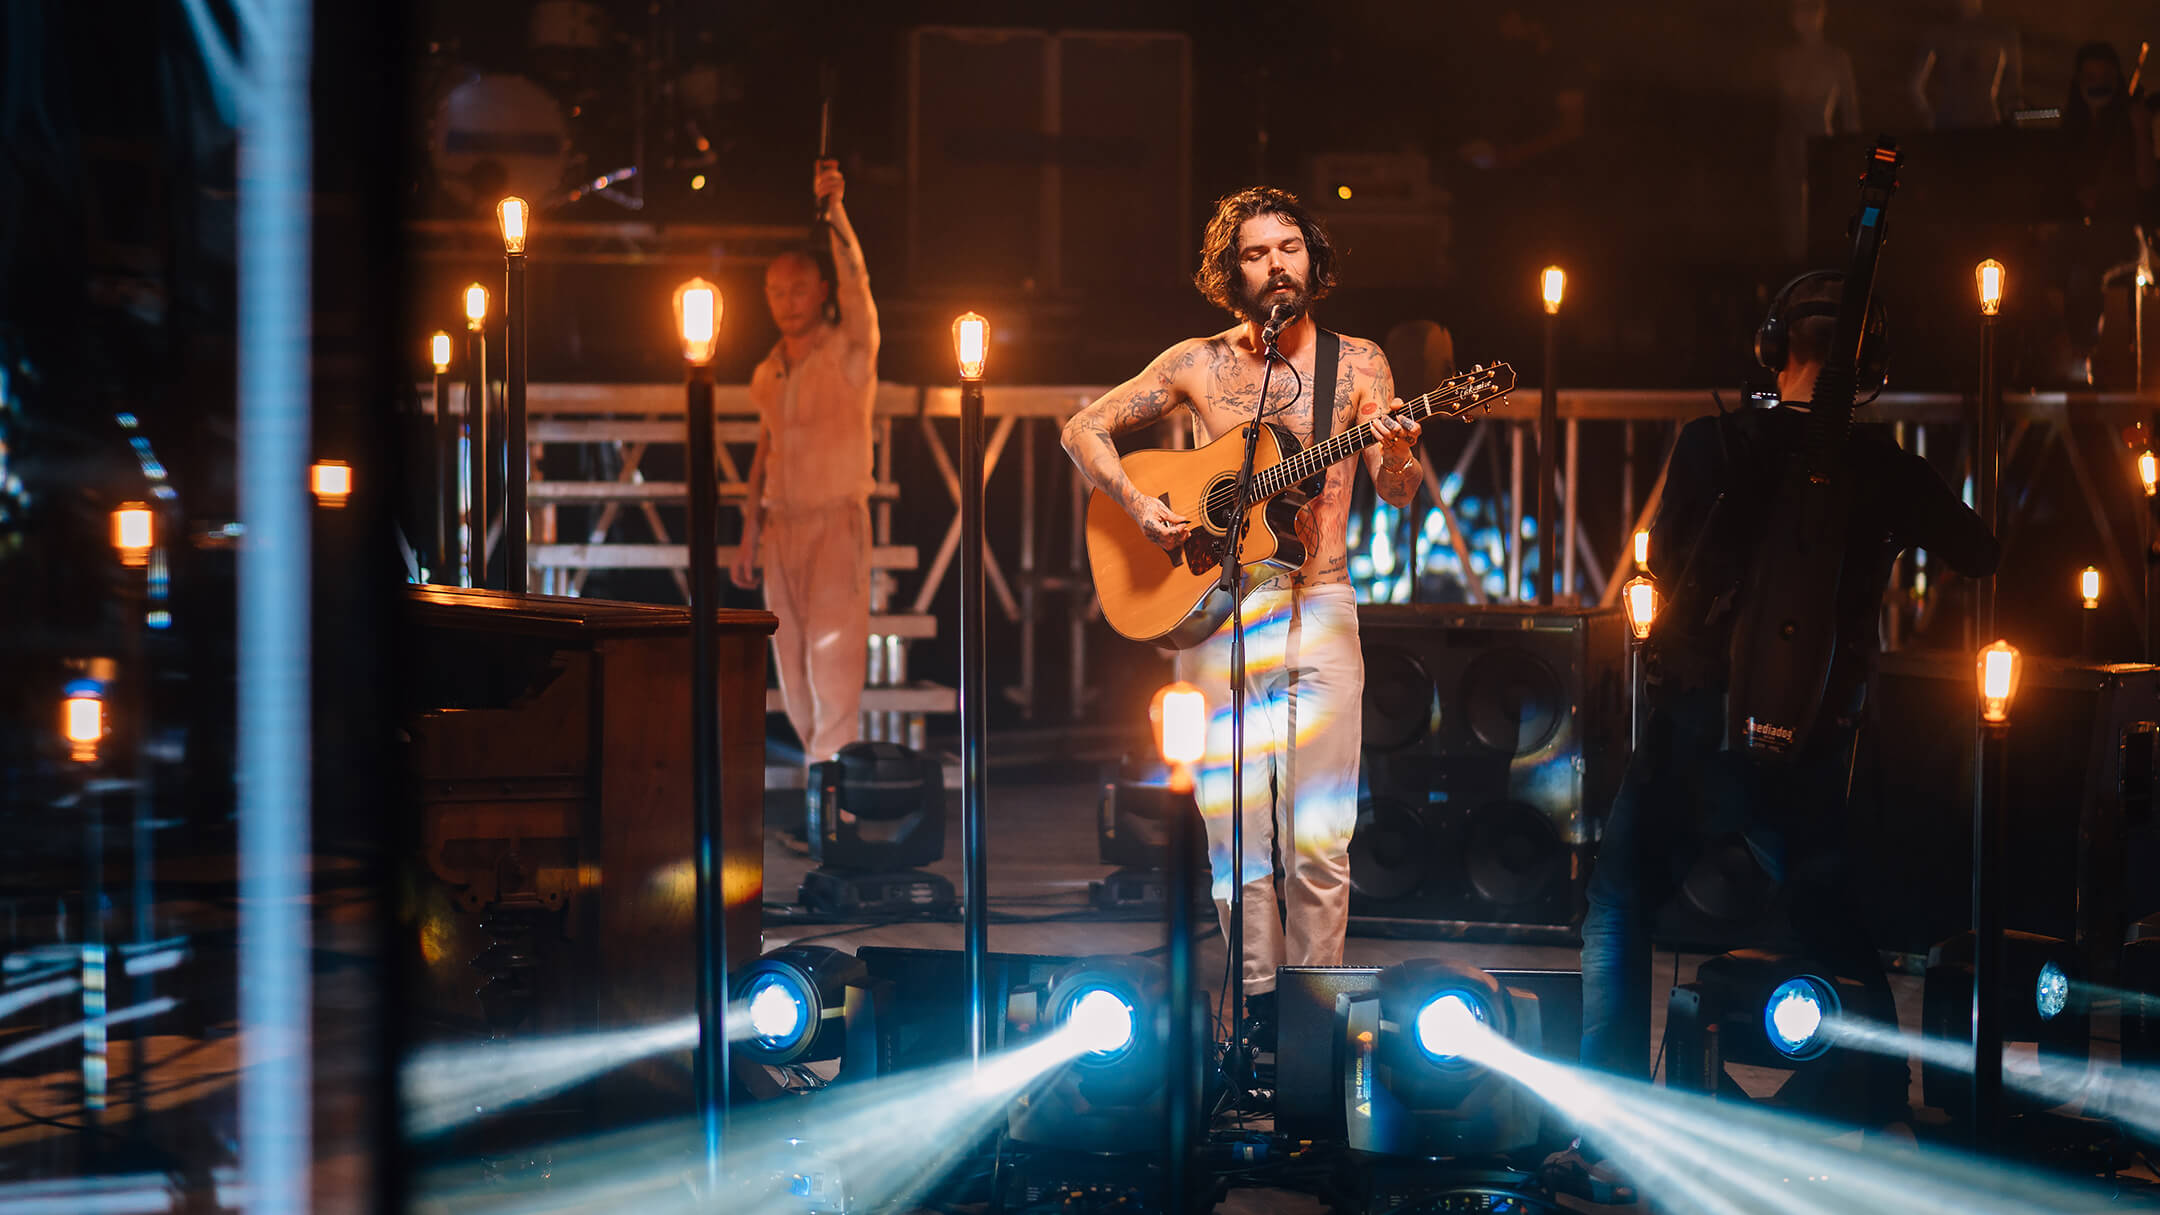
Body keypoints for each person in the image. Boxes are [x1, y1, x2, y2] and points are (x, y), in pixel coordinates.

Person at [1545, 272, 2000, 1199]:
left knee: (1623, 901)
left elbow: (1665, 569)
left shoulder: (1714, 442)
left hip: (1691, 724)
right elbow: (1980, 552)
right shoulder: (1883, 464)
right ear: (1865, 363)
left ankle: (1611, 1130)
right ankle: (1884, 1109)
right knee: (1827, 910)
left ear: (1772, 348)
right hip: (1812, 734)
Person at [1060, 187, 1423, 1045]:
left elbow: (1397, 493)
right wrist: (1142, 506)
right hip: (1219, 613)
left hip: (1321, 604)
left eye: (1290, 247)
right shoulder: (1197, 363)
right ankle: (1257, 1019)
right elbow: (1084, 428)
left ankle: (1316, 1022)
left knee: (1321, 841)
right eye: (1257, 253)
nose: (1277, 264)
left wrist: (1402, 449)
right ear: (1234, 271)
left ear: (1314, 260)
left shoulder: (1360, 364)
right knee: (1236, 842)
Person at [733, 159, 878, 767]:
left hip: (834, 522)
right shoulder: (768, 368)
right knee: (790, 665)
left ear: (820, 292)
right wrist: (749, 530)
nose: (786, 302)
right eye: (775, 291)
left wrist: (835, 209)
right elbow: (767, 447)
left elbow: (858, 287)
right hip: (780, 527)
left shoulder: (847, 352)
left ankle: (833, 797)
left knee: (833, 661)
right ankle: (823, 789)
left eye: (798, 289)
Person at [2052, 42, 2155, 383]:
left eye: (2104, 77)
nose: (2097, 84)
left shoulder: (2129, 126)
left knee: (2084, 269)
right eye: (2090, 76)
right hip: (2080, 236)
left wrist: (2141, 132)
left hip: (2124, 238)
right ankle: (2040, 362)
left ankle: (2083, 359)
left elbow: (2145, 187)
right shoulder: (2072, 132)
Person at [1772, 0, 1863, 261]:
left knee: (1823, 210)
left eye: (1811, 12)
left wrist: (1851, 152)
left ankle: (1823, 267)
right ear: (1793, 19)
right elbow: (1780, 110)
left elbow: (1850, 111)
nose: (1806, 19)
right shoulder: (1784, 59)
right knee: (1792, 218)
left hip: (1823, 141)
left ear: (1822, 15)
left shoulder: (1836, 59)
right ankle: (1793, 272)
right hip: (1790, 144)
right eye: (1801, 13)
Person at [1908, 0, 2024, 131]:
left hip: (1958, 124)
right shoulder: (2001, 34)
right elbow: (2014, 94)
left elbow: (1914, 87)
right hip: (1975, 125)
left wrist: (1928, 117)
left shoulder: (1938, 34)